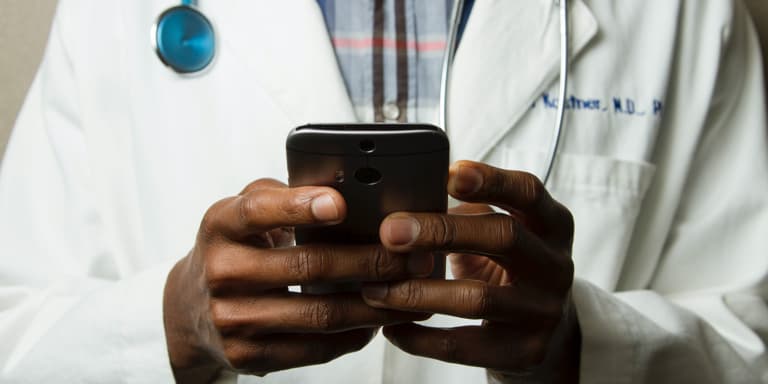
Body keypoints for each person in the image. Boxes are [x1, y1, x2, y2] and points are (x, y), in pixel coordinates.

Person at [1, 0, 767, 383]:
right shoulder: (109, 14)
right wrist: (171, 327)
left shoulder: (685, 13)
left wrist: (582, 351)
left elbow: (751, 339)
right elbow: (15, 338)